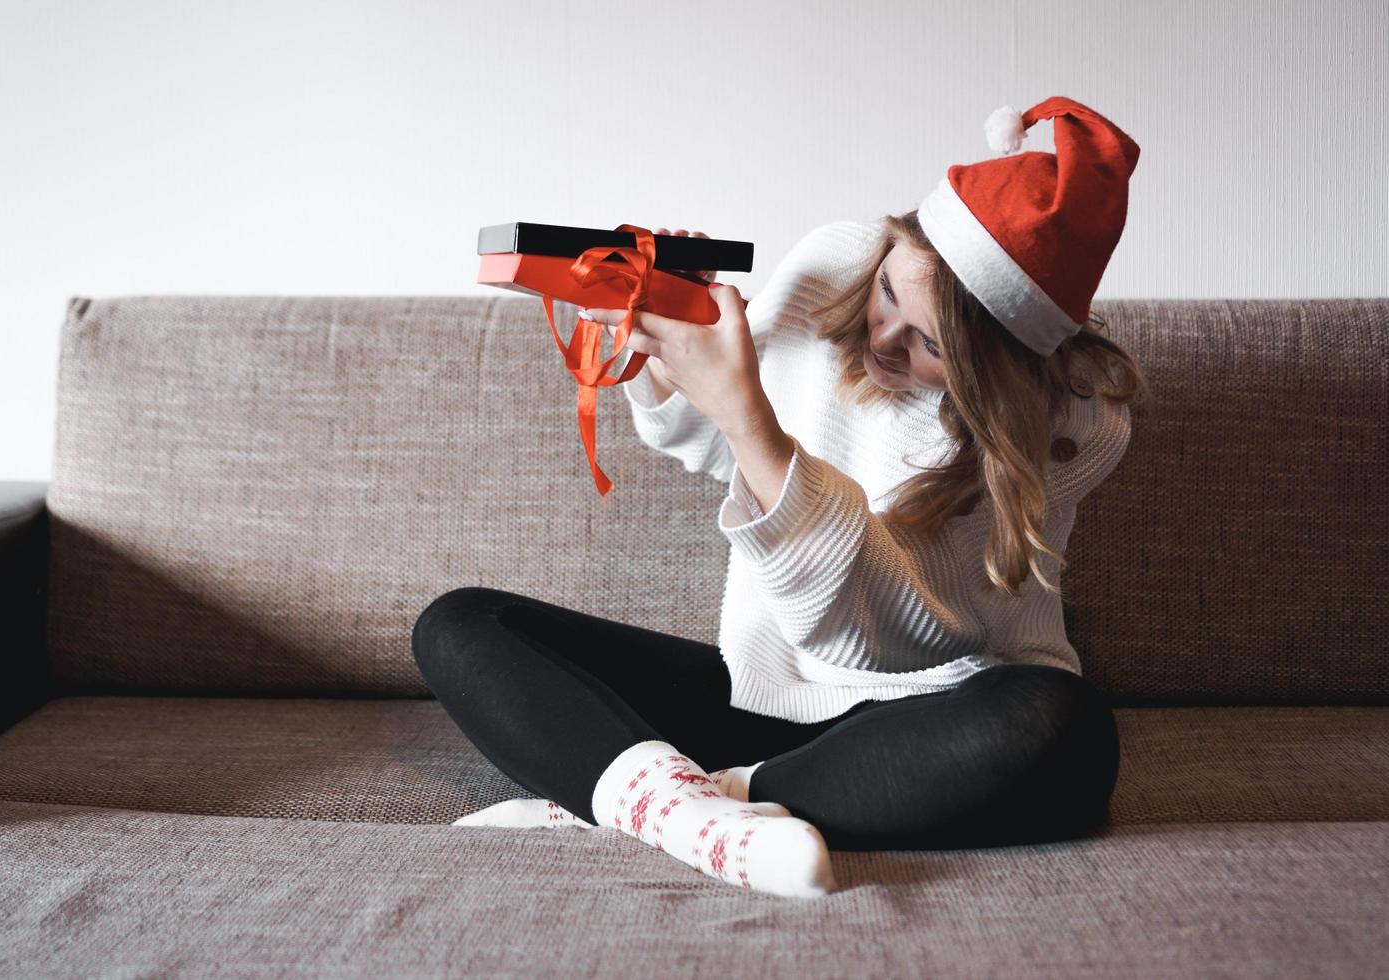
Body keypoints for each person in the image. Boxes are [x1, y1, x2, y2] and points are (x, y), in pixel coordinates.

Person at [414, 96, 1151, 899]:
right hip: (766, 693)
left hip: (936, 708)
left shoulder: (1074, 420)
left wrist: (747, 413)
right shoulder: (840, 259)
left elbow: (886, 636)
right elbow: (705, 440)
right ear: (892, 245)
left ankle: (674, 800)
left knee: (1064, 729)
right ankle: (690, 813)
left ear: (1000, 371)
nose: (883, 339)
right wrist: (669, 339)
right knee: (461, 624)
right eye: (891, 295)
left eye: (931, 346)